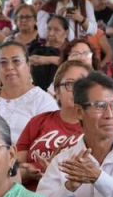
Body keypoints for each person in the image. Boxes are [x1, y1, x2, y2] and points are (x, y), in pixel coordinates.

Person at [16, 61, 91, 190]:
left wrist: (52, 169)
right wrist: (27, 173)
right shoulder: (38, 121)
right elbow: (13, 168)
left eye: (83, 84)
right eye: (70, 84)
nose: (77, 90)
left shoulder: (100, 125)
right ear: (57, 91)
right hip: (30, 194)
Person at [0, 41, 58, 143]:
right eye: (3, 62)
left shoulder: (44, 102)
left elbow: (48, 143)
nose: (9, 67)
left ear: (28, 66)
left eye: (16, 61)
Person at [28, 15, 69, 91]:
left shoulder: (70, 50)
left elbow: (72, 63)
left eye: (56, 30)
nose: (51, 33)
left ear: (66, 33)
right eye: (49, 29)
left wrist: (47, 60)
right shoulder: (36, 47)